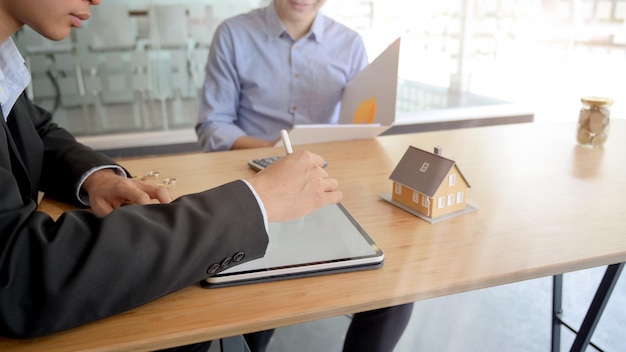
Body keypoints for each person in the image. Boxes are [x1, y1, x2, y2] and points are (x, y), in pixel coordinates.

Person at [0, 0, 342, 346]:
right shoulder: (235, 33)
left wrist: (97, 177)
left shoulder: (5, 60)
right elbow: (20, 275)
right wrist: (255, 202)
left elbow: (35, 129)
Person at [196, 1, 414, 351]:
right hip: (256, 188)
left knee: (396, 290)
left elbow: (359, 127)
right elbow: (212, 126)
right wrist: (267, 148)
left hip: (326, 188)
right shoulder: (233, 35)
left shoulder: (350, 43)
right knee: (258, 293)